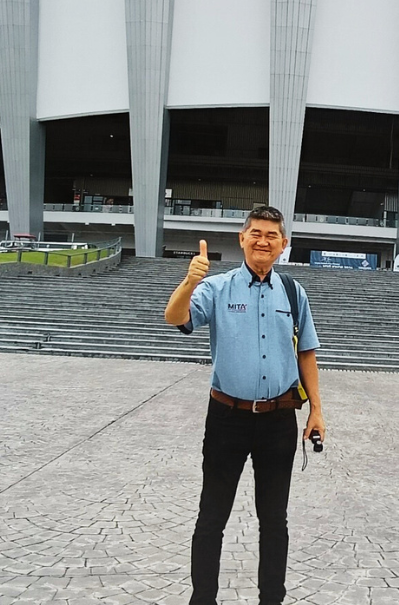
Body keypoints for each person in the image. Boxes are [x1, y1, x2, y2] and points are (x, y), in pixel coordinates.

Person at [164, 205, 326, 605]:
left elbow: (307, 353)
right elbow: (174, 318)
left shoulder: (293, 292)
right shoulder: (216, 288)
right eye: (255, 233)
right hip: (227, 418)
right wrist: (188, 282)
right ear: (242, 238)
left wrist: (317, 412)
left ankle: (272, 599)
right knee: (211, 518)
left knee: (275, 521)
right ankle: (203, 600)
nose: (263, 241)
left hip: (278, 421)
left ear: (283, 244)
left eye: (272, 235)